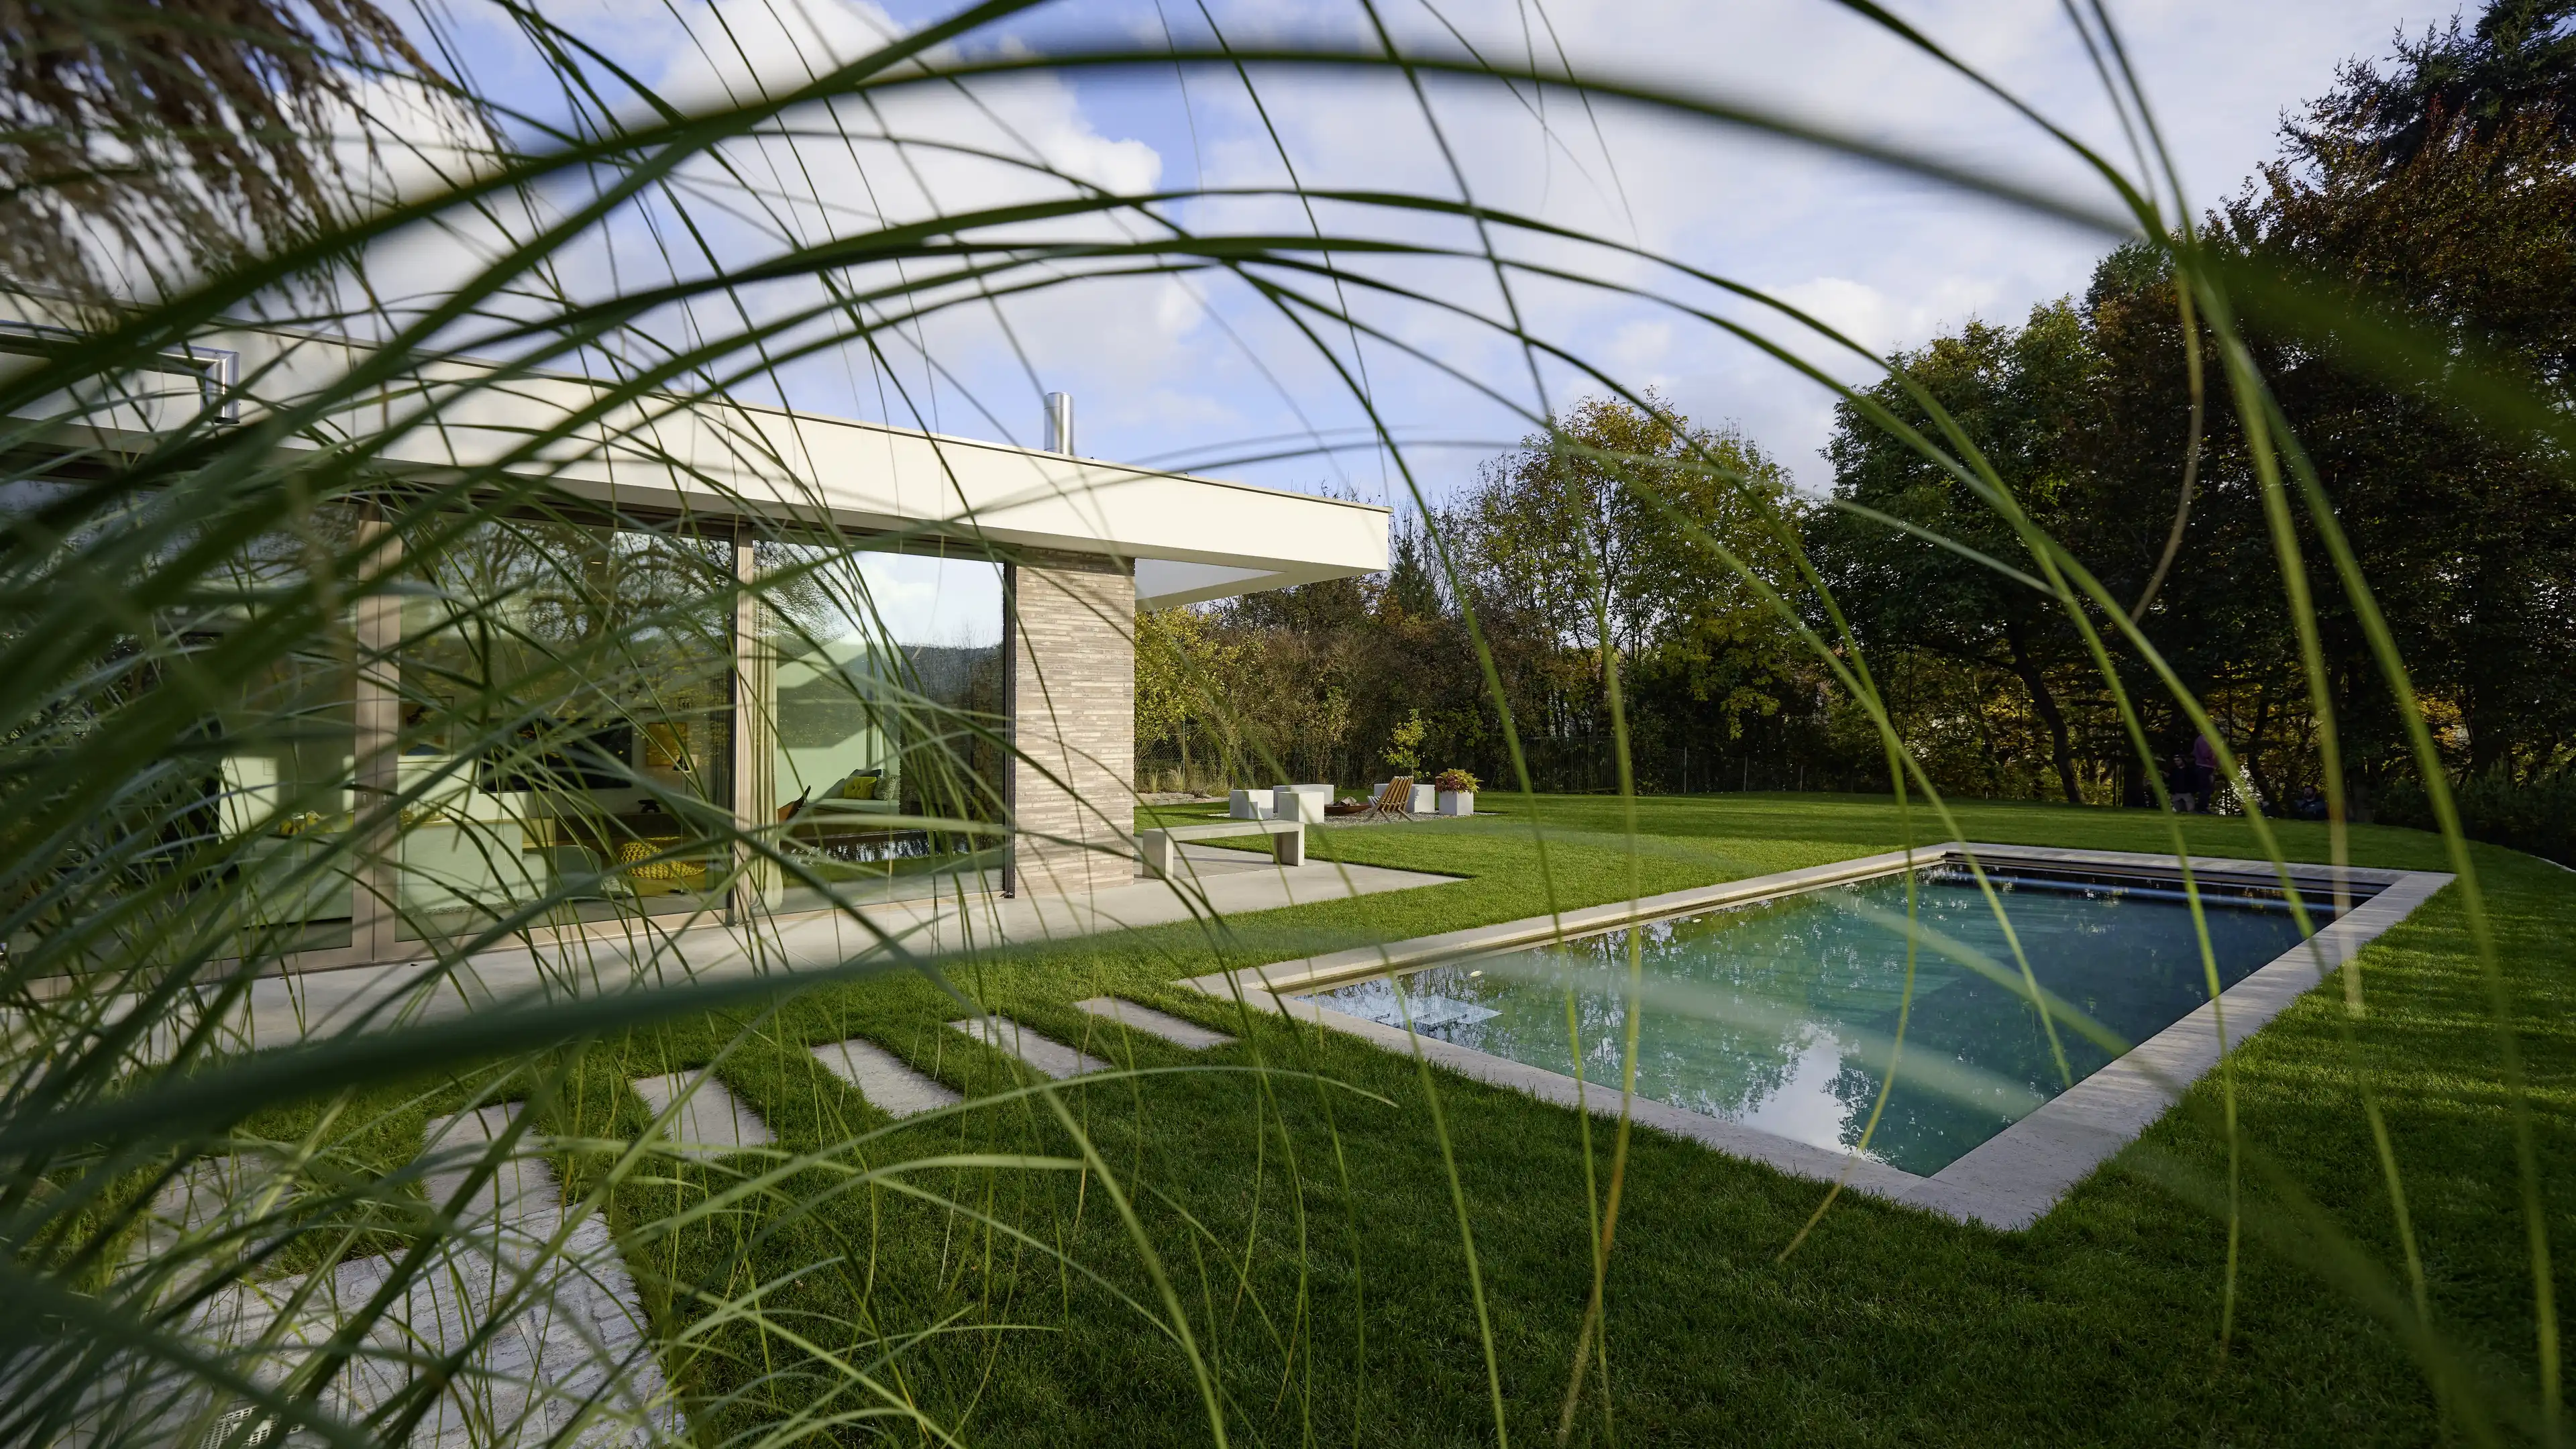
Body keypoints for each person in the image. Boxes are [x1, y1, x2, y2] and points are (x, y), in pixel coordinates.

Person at [2190, 732, 2220, 813]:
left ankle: (2203, 807)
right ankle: (2202, 808)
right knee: (2206, 788)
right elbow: (2206, 754)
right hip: (2204, 767)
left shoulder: (2203, 739)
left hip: (2205, 767)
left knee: (2207, 788)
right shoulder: (2205, 739)